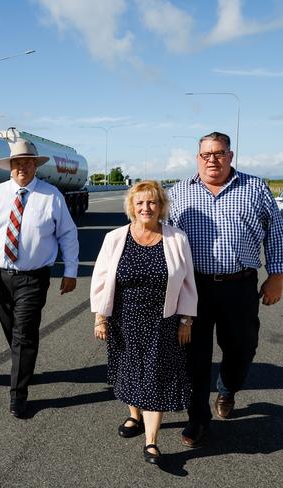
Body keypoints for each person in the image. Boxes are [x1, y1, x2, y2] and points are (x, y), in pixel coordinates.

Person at [169, 131, 283, 447]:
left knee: (242, 348)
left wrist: (277, 275)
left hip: (240, 286)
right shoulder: (180, 192)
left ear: (230, 156)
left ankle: (228, 388)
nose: (212, 160)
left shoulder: (254, 187)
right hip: (195, 288)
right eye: (206, 154)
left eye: (219, 153)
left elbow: (276, 230)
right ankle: (197, 419)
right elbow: (162, 238)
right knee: (195, 355)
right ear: (197, 158)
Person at [0, 138, 79, 418]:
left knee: (23, 333)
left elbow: (68, 234)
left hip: (34, 277)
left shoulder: (51, 195)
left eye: (28, 162)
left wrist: (71, 271)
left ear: (35, 166)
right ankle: (24, 365)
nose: (22, 168)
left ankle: (18, 394)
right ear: (10, 166)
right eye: (18, 163)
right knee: (12, 330)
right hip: (1, 275)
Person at [90, 180, 197, 464]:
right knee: (129, 369)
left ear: (161, 206)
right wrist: (100, 317)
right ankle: (133, 415)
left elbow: (186, 282)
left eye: (152, 202)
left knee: (155, 376)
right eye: (140, 203)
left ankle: (151, 442)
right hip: (123, 319)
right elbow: (101, 279)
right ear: (132, 207)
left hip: (163, 320)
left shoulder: (176, 239)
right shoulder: (115, 238)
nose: (146, 208)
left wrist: (186, 320)